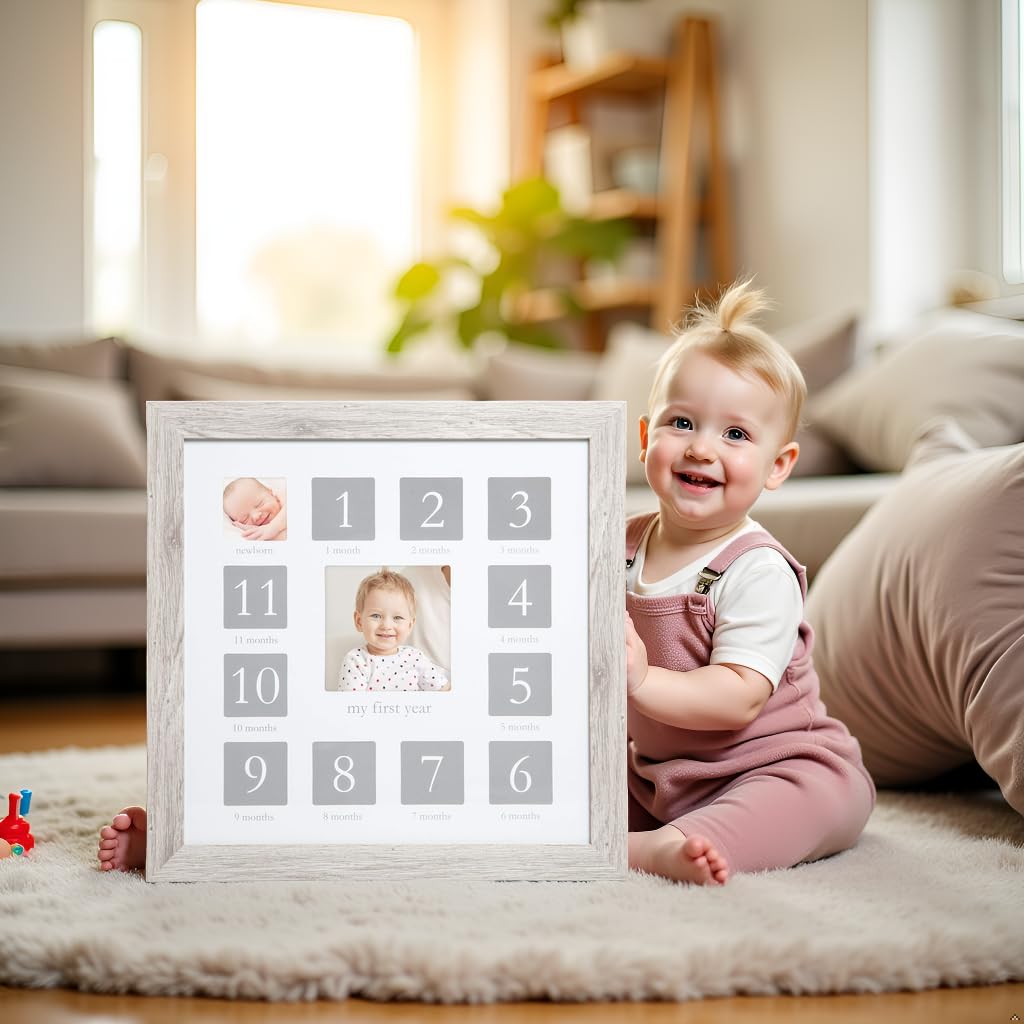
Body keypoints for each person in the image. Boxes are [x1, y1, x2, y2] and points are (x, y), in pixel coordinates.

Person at [624, 279, 875, 886]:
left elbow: (739, 696)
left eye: (735, 435)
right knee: (562, 783)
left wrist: (639, 679)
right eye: (681, 422)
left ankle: (659, 850)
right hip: (657, 770)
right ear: (644, 439)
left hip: (774, 764)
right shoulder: (614, 546)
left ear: (777, 466)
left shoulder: (756, 569)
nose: (702, 449)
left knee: (807, 800)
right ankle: (644, 828)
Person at [334, 568, 450, 692]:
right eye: (376, 616)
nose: (386, 626)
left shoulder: (415, 657)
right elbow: (349, 706)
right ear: (359, 621)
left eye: (397, 617)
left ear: (410, 626)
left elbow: (444, 689)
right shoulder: (356, 660)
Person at [223, 477, 287, 541]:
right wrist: (258, 532)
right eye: (245, 519)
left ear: (271, 493)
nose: (256, 516)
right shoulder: (268, 534)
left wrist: (273, 527)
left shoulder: (282, 497)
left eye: (260, 504)